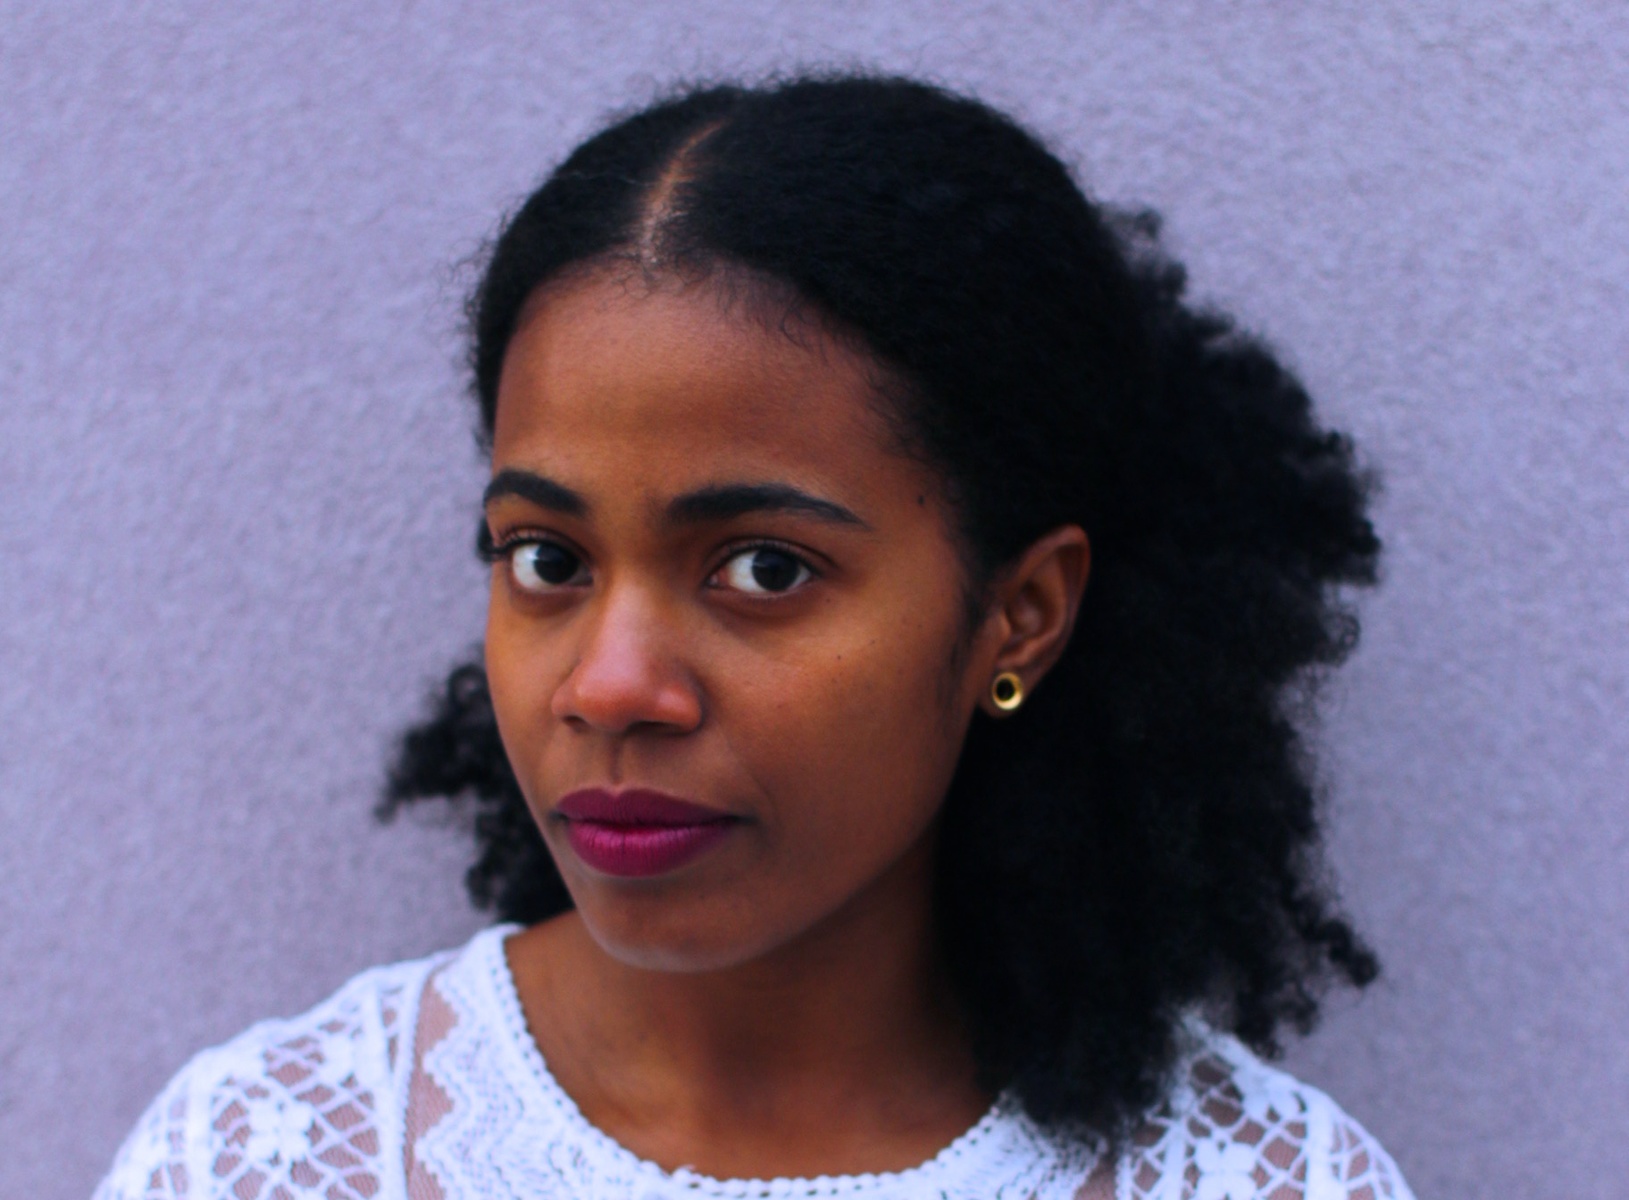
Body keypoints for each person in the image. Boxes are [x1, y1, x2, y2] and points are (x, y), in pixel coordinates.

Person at [96, 74, 1415, 1200]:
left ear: (1019, 615)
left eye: (764, 570)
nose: (611, 685)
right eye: (547, 560)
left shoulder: (1261, 1180)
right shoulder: (269, 1157)